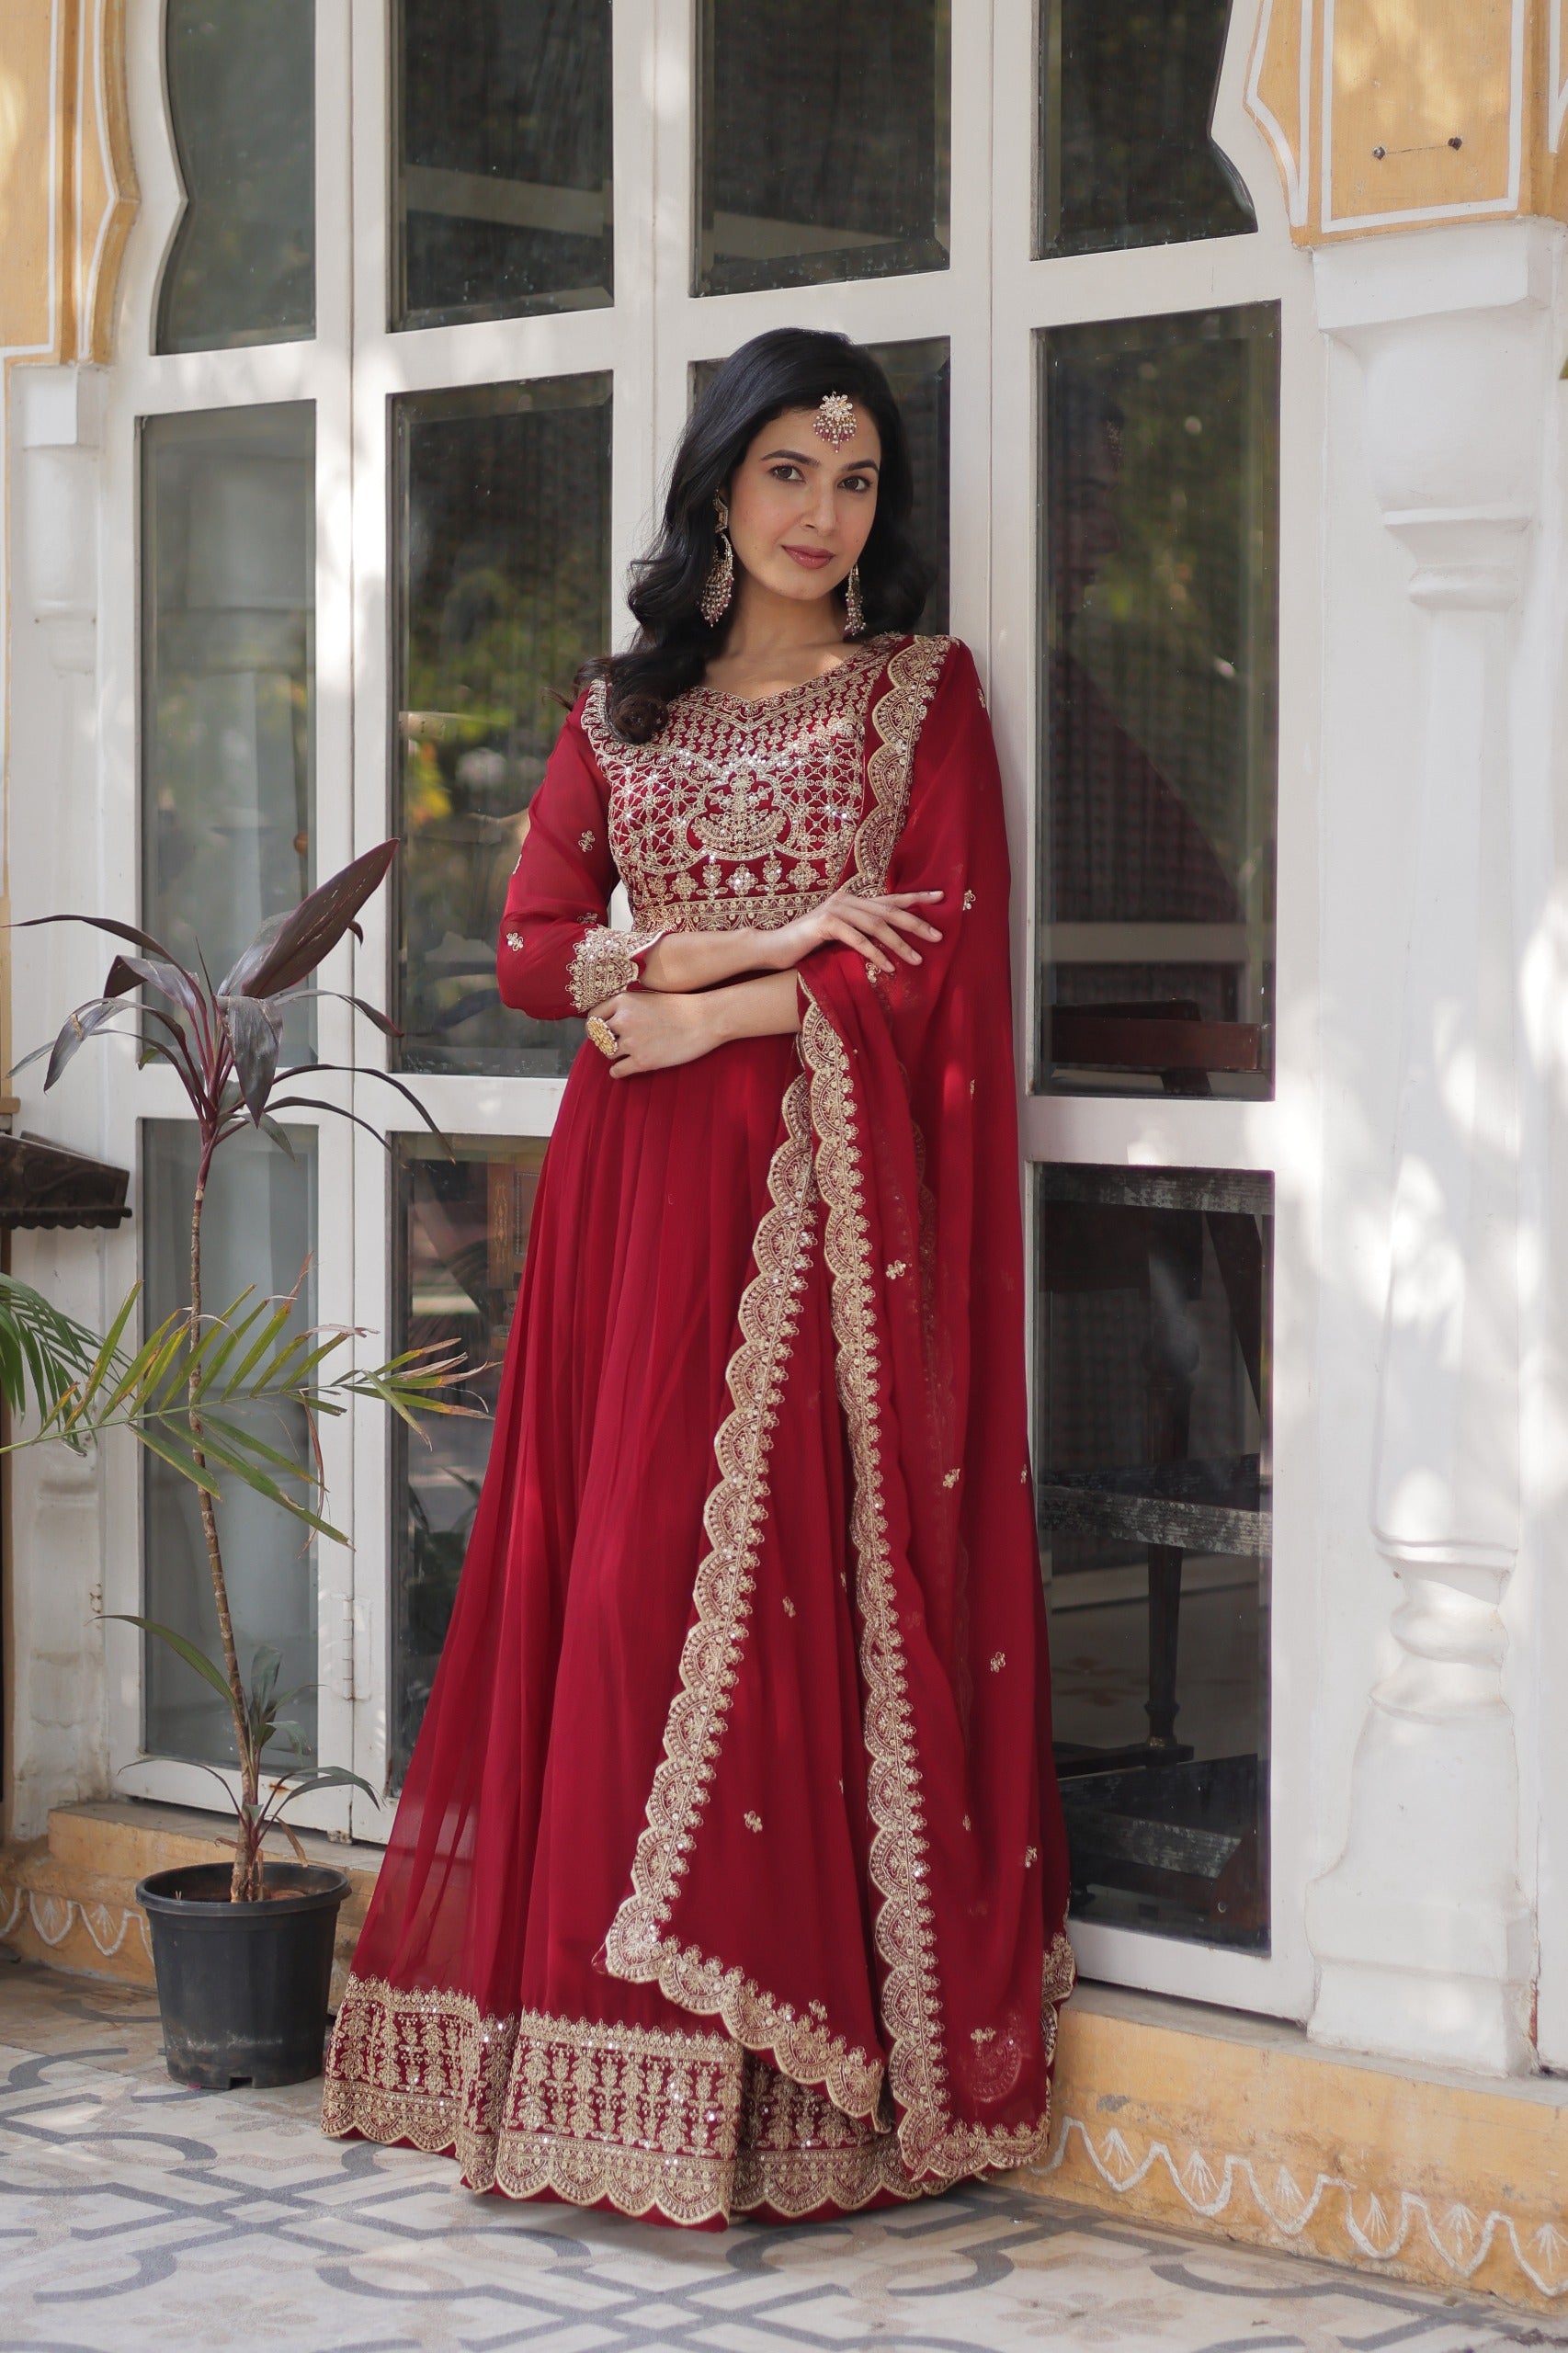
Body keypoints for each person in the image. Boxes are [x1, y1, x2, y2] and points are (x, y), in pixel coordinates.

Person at [323, 327, 1074, 2227]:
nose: (826, 516)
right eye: (790, 474)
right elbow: (525, 950)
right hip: (632, 1209)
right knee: (625, 1579)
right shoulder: (615, 714)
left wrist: (722, 989)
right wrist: (736, 947)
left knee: (766, 1601)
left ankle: (781, 2097)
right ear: (721, 487)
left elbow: (931, 961)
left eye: (859, 482)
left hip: (813, 1222)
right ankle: (593, 2074)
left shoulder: (919, 699)